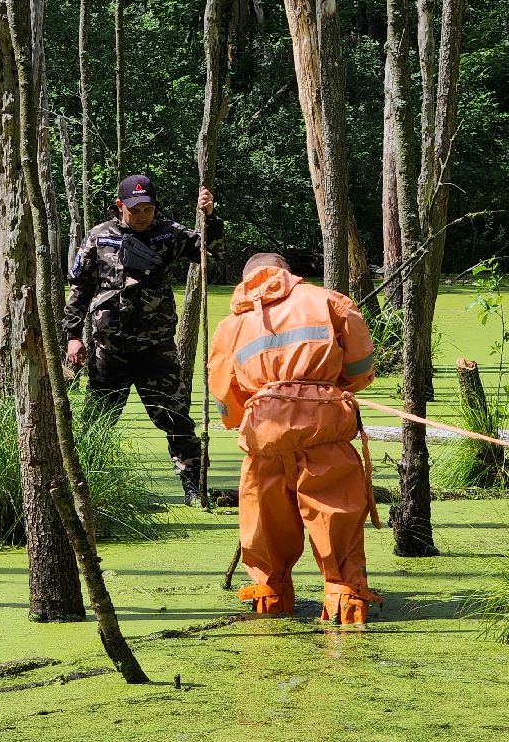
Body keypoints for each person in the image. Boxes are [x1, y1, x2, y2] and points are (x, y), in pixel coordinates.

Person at [207, 252, 382, 625]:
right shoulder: (328, 301)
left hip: (264, 436)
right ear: (287, 274)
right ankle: (346, 602)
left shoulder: (229, 327)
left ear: (247, 278)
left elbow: (226, 398)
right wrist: (333, 389)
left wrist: (251, 418)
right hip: (325, 431)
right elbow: (361, 366)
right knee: (336, 519)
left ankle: (270, 600)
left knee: (264, 527)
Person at [63, 173, 222, 505]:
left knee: (177, 421)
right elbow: (79, 289)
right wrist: (73, 337)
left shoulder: (168, 233)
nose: (142, 215)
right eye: (135, 209)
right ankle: (88, 491)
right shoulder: (99, 237)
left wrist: (210, 217)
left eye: (148, 209)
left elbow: (210, 254)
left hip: (156, 350)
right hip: (109, 351)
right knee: (96, 425)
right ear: (120, 206)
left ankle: (195, 490)